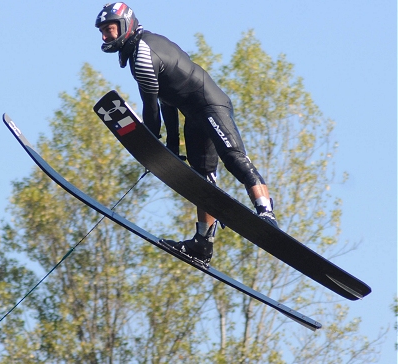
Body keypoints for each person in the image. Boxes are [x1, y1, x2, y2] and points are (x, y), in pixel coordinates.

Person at [95, 2, 277, 264]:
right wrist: (168, 145)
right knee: (202, 182)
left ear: (124, 26)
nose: (104, 37)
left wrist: (149, 142)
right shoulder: (142, 47)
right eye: (101, 31)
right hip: (192, 115)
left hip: (210, 105)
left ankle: (266, 212)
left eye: (109, 30)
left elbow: (151, 106)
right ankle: (202, 244)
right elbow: (167, 103)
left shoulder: (143, 53)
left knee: (234, 158)